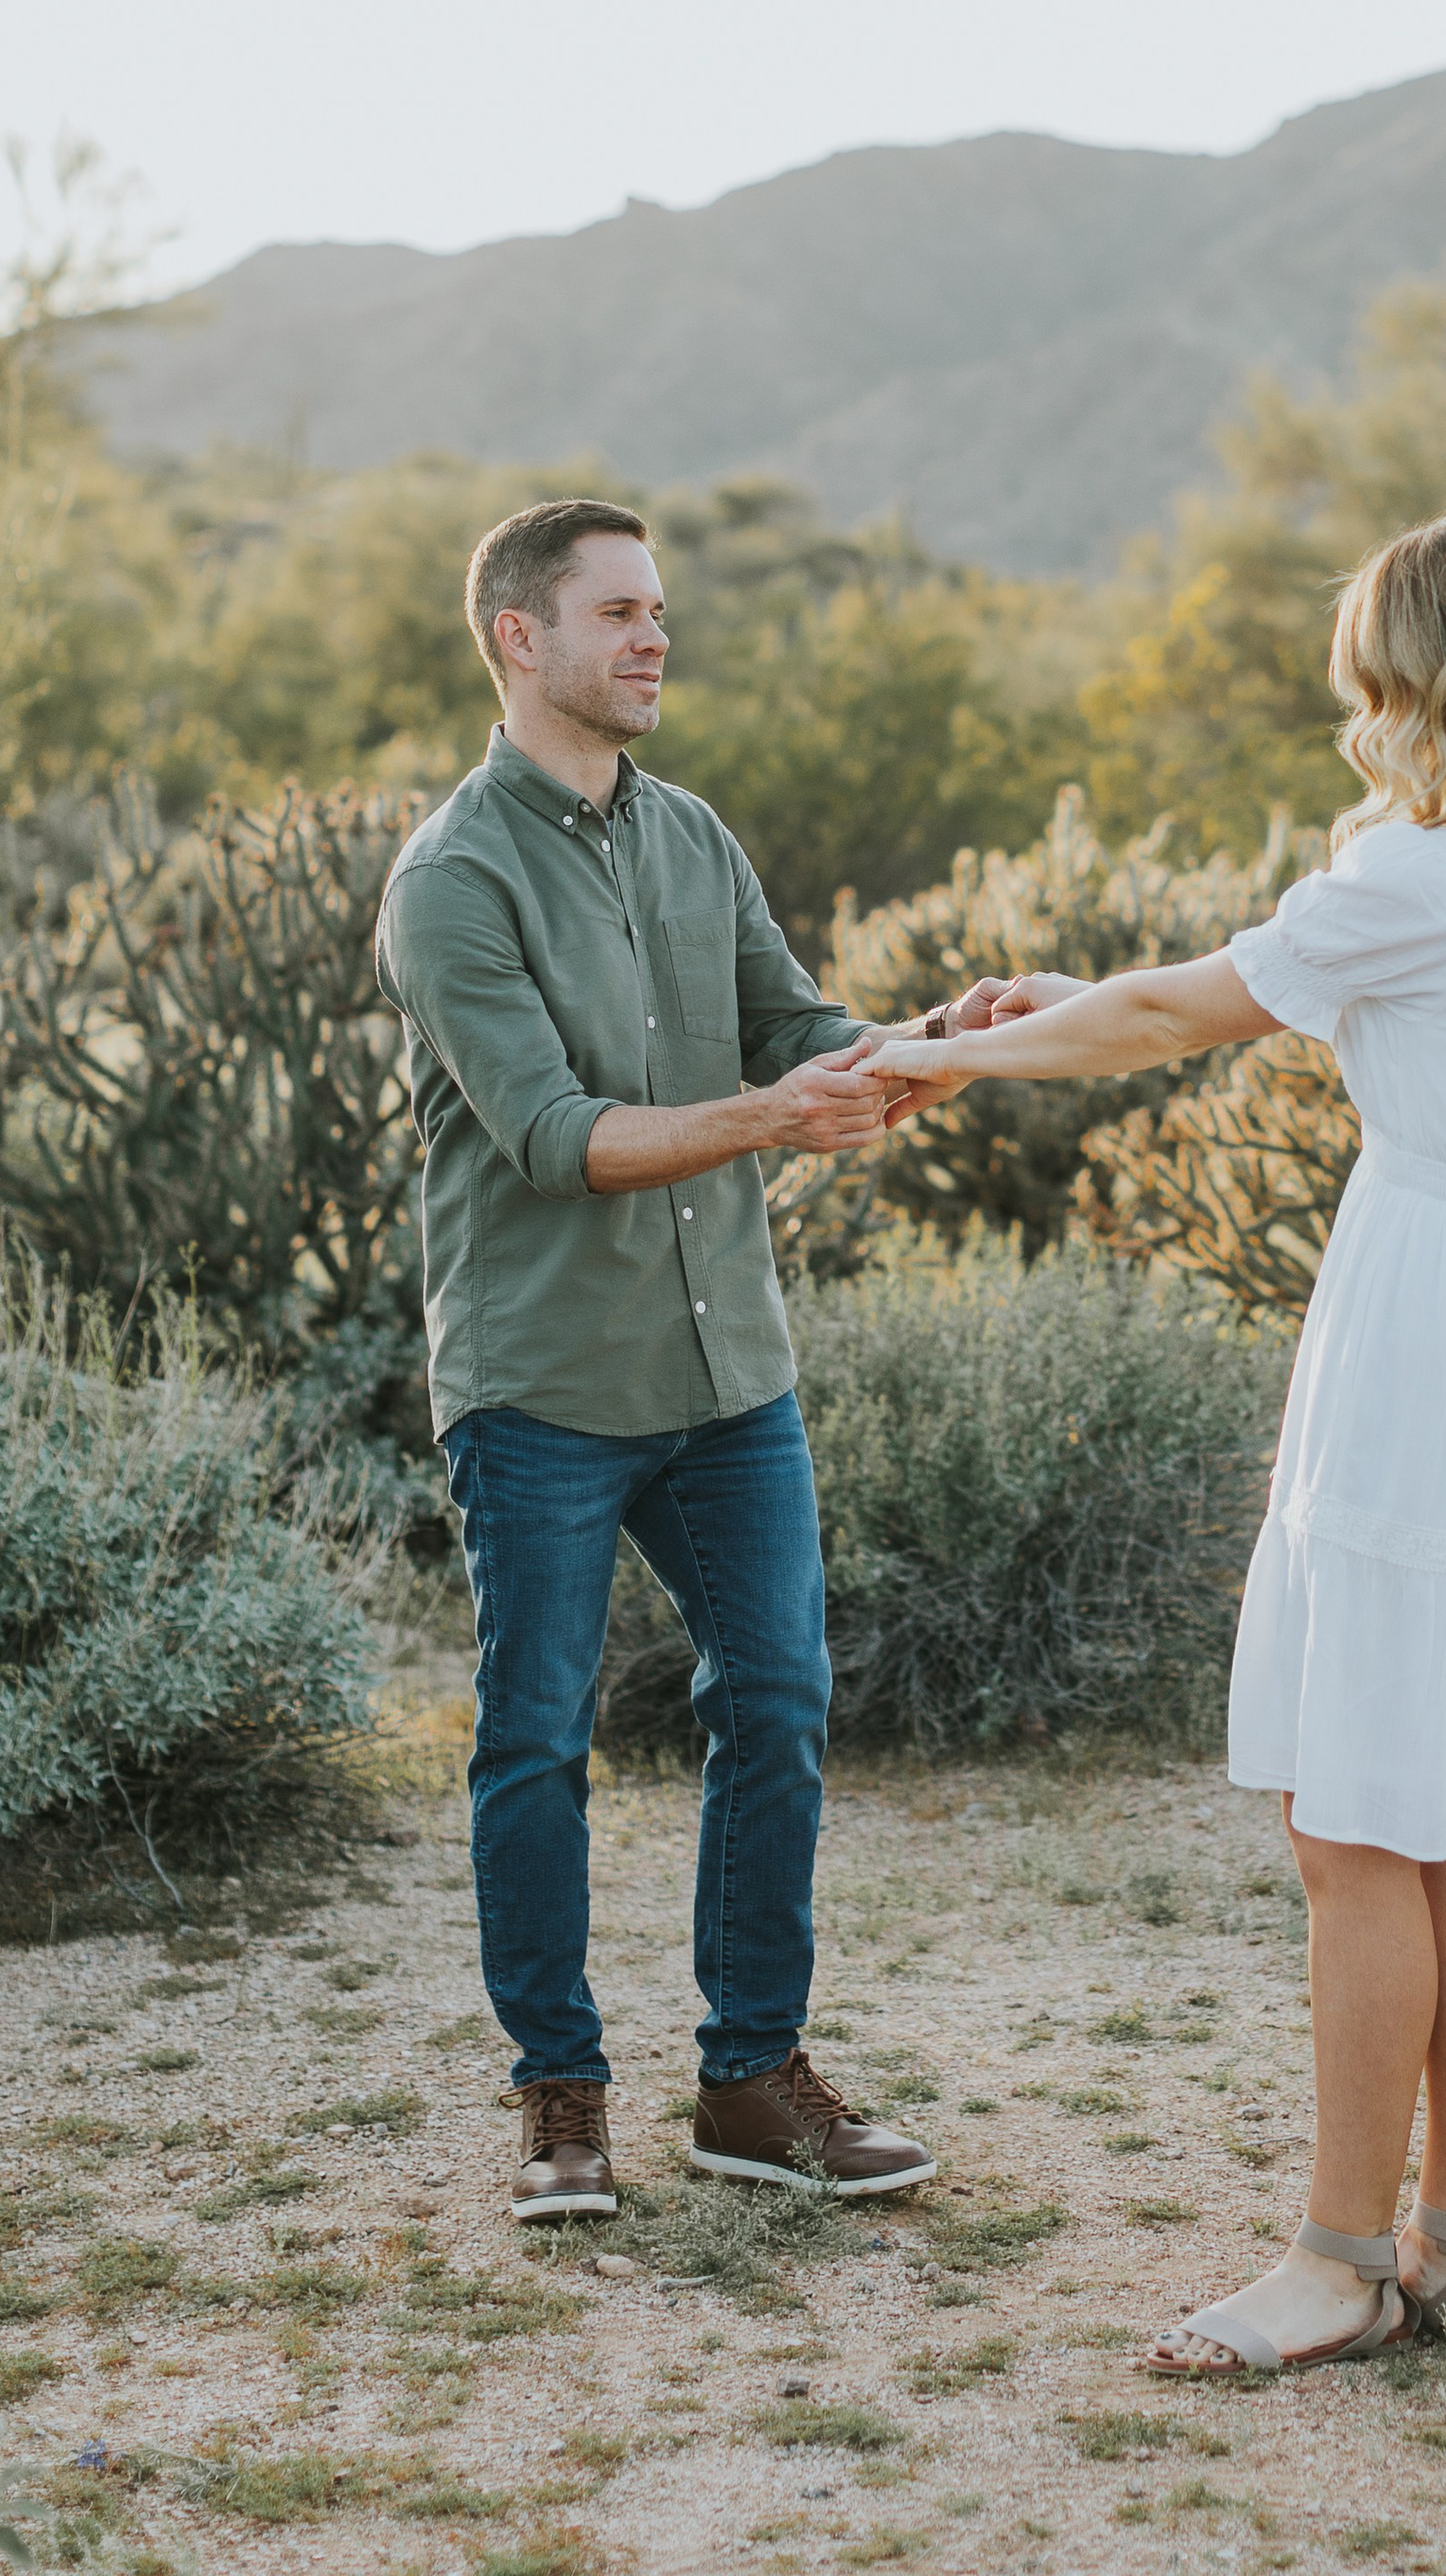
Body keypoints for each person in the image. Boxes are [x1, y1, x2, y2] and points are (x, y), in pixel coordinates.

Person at [865, 509, 1446, 2369]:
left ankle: (1332, 2261)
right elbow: (1251, 985)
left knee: (1351, 1817)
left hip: (1427, 1325)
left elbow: (1169, 1014)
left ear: (1418, 676)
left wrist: (953, 1052)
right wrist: (1039, 1011)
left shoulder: (1421, 866)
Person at [376, 498, 1004, 2225]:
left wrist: (928, 1042)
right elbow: (555, 1138)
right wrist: (770, 1120)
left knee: (782, 1701)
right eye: (619, 611)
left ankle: (750, 2082)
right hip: (542, 1386)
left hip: (730, 1377)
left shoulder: (696, 836)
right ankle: (559, 2099)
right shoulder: (450, 881)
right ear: (521, 636)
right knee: (533, 1738)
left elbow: (793, 1027)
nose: (656, 637)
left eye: (661, 610)